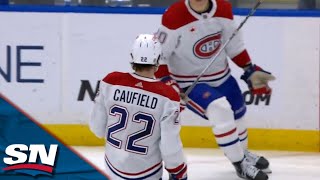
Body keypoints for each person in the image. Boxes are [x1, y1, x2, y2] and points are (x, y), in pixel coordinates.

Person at [156, 0, 275, 180]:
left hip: (222, 76)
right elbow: (159, 54)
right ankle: (240, 164)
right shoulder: (174, 15)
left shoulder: (224, 8)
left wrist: (249, 69)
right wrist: (166, 82)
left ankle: (242, 153)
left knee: (238, 116)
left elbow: (234, 45)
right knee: (220, 109)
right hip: (190, 83)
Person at [89, 34, 188, 180]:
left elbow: (97, 129)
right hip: (147, 173)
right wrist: (178, 171)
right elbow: (170, 145)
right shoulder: (168, 96)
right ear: (158, 60)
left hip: (112, 168)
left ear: (132, 56)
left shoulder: (111, 81)